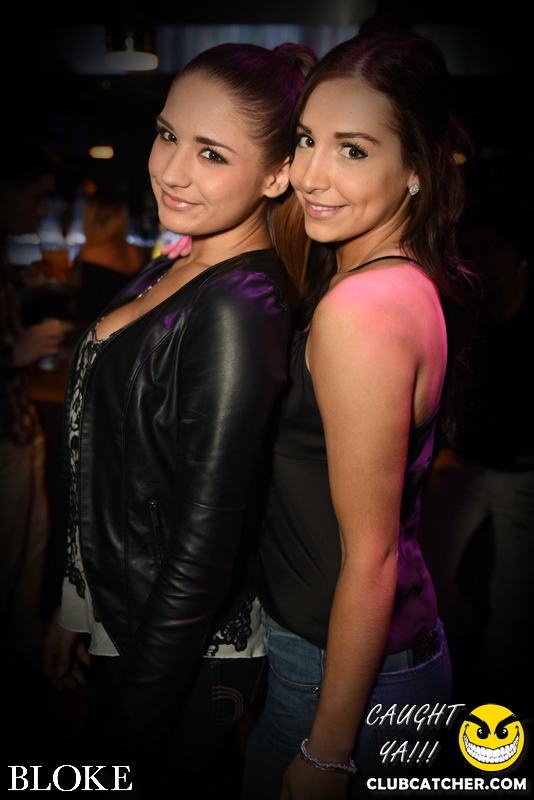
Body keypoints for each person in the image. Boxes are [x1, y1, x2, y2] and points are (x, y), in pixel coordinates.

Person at [42, 41, 316, 794]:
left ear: (276, 174)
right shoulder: (177, 262)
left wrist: (126, 729)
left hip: (182, 655)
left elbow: (202, 544)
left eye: (211, 153)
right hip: (127, 619)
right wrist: (75, 608)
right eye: (168, 135)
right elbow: (113, 473)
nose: (171, 170)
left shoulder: (239, 306)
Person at [243, 28, 476, 799]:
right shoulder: (401, 279)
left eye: (353, 149)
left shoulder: (362, 310)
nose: (312, 174)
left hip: (342, 687)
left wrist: (327, 754)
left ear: (415, 169)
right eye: (307, 139)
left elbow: (370, 557)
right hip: (378, 663)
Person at [0, 136, 64, 669]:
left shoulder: (5, 258)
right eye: (36, 196)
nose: (42, 211)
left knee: (27, 562)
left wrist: (27, 285)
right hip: (6, 436)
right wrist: (11, 354)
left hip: (19, 428)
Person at [74, 190, 146, 323]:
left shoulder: (92, 253)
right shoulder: (135, 252)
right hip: (132, 327)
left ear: (91, 217)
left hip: (100, 328)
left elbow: (87, 308)